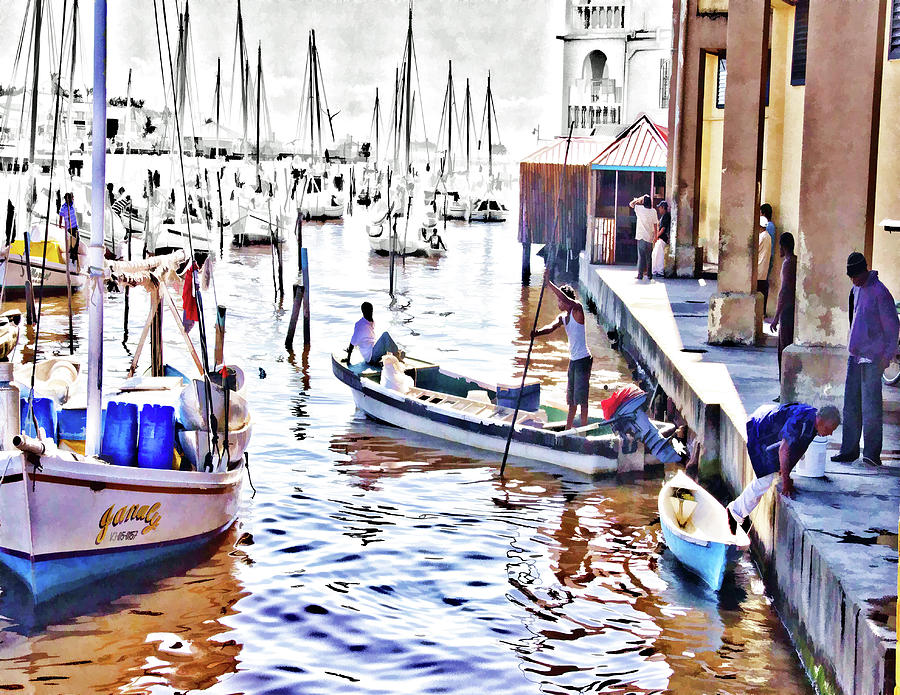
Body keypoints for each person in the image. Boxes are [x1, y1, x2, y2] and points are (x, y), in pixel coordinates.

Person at [727, 403, 841, 534]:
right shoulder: (800, 421)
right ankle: (734, 512)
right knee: (764, 480)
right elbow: (784, 449)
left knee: (776, 467)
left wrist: (786, 473)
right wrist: (786, 482)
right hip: (760, 427)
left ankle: (739, 512)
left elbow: (799, 449)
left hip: (770, 420)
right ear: (820, 421)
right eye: (829, 428)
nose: (830, 433)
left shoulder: (813, 424)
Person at [831, 252, 900, 467]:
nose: (853, 280)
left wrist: (886, 357)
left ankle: (871, 454)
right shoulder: (855, 289)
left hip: (873, 358)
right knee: (851, 405)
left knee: (871, 408)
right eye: (851, 277)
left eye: (856, 276)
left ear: (864, 271)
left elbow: (892, 328)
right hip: (855, 355)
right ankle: (849, 450)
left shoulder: (880, 293)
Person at [532, 269, 593, 429]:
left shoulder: (577, 309)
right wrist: (536, 333)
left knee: (582, 398)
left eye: (560, 301)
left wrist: (549, 283)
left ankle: (584, 430)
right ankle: (568, 428)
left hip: (583, 360)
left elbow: (564, 298)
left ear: (566, 301)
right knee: (571, 398)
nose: (558, 304)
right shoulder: (562, 317)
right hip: (573, 361)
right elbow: (550, 328)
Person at [769, 232, 796, 384]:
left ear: (783, 247)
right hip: (793, 310)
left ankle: (784, 387)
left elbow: (784, 291)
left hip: (787, 311)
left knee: (783, 350)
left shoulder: (788, 263)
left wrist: (776, 317)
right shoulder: (795, 261)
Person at [345, 302, 403, 366]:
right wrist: (348, 359)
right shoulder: (360, 325)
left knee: (393, 346)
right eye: (368, 311)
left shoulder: (370, 321)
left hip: (374, 351)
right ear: (363, 312)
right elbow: (352, 343)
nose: (370, 313)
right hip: (371, 356)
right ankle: (397, 357)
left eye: (371, 310)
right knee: (385, 335)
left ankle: (394, 354)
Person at [630, 194, 656, 280]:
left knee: (641, 256)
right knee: (649, 257)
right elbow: (655, 224)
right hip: (649, 237)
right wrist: (655, 236)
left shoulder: (639, 209)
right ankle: (649, 274)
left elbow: (631, 204)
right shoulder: (653, 211)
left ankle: (640, 275)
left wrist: (639, 198)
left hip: (641, 236)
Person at [758, 204, 776, 313]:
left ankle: (762, 310)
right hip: (766, 256)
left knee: (762, 283)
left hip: (765, 257)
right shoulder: (770, 227)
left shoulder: (768, 228)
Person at [57, 192, 79, 265]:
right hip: (70, 228)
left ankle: (74, 259)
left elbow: (73, 197)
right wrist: (60, 226)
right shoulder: (63, 208)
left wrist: (72, 195)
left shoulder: (72, 205)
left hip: (75, 227)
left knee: (76, 243)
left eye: (70, 198)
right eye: (68, 198)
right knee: (73, 243)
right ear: (66, 199)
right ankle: (71, 260)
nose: (70, 200)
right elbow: (60, 218)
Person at [652, 200, 670, 277]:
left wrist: (656, 237)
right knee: (655, 254)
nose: (659, 209)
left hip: (662, 239)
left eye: (660, 208)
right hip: (660, 239)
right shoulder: (663, 216)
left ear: (663, 208)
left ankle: (660, 271)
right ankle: (655, 270)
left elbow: (663, 229)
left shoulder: (666, 216)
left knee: (659, 255)